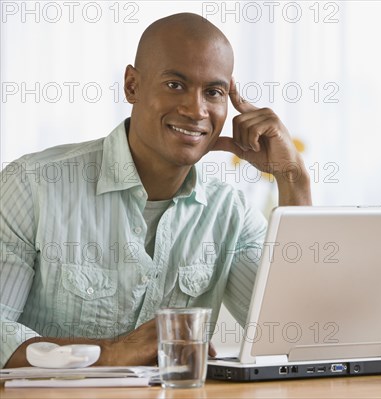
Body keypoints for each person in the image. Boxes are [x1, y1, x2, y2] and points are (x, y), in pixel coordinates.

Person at [0, 13, 311, 368]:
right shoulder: (33, 185)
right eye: (175, 85)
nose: (196, 110)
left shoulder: (230, 214)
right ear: (132, 85)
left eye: (213, 92)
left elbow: (295, 336)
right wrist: (113, 352)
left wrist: (293, 178)